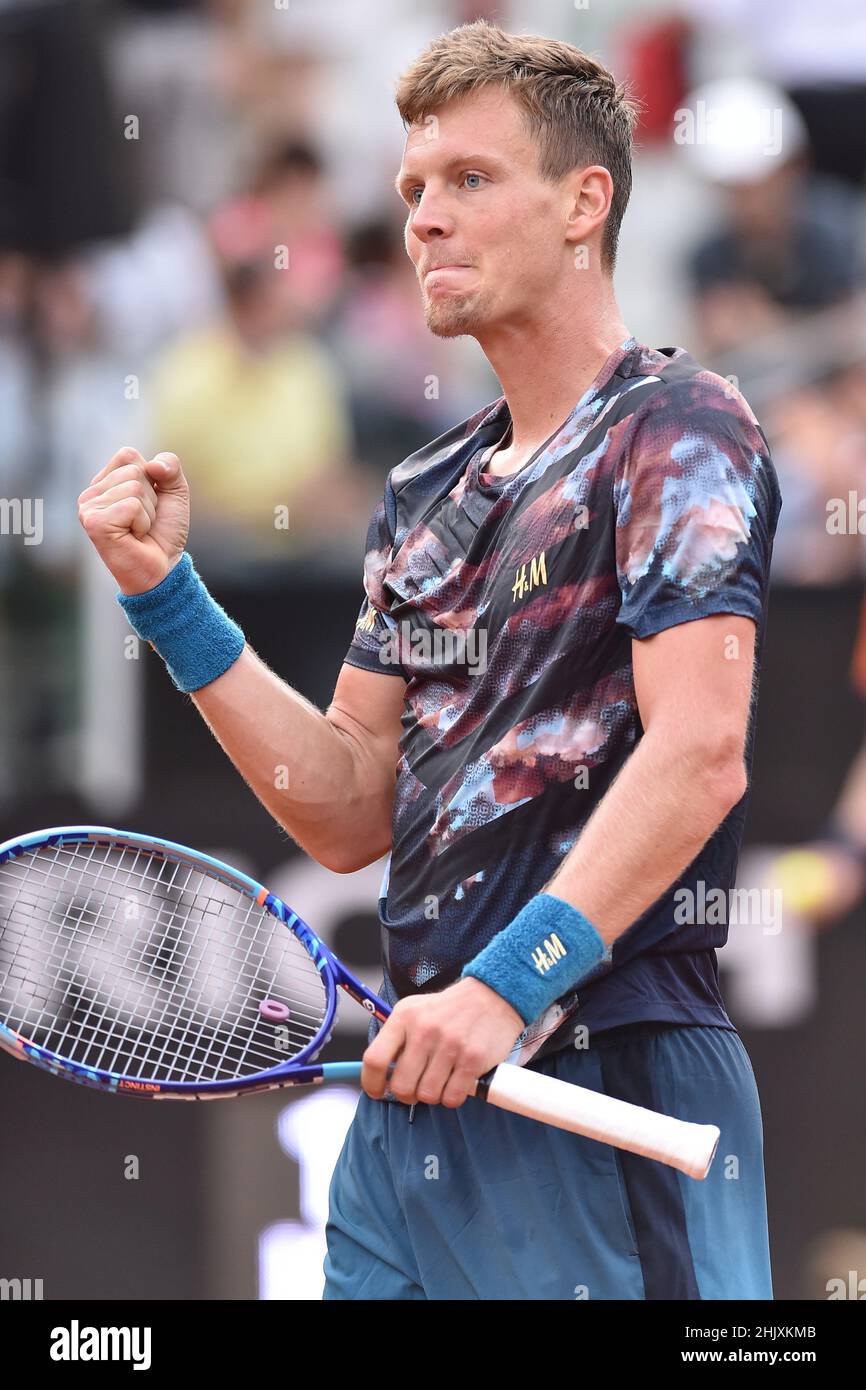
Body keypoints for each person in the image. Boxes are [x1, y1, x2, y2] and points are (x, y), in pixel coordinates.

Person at [77, 20, 780, 1300]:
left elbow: (700, 754)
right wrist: (167, 598)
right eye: (410, 190)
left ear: (584, 202)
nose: (423, 221)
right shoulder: (420, 493)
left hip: (596, 1071)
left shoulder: (677, 426)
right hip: (420, 1104)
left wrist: (504, 990)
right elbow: (348, 807)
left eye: (468, 180)